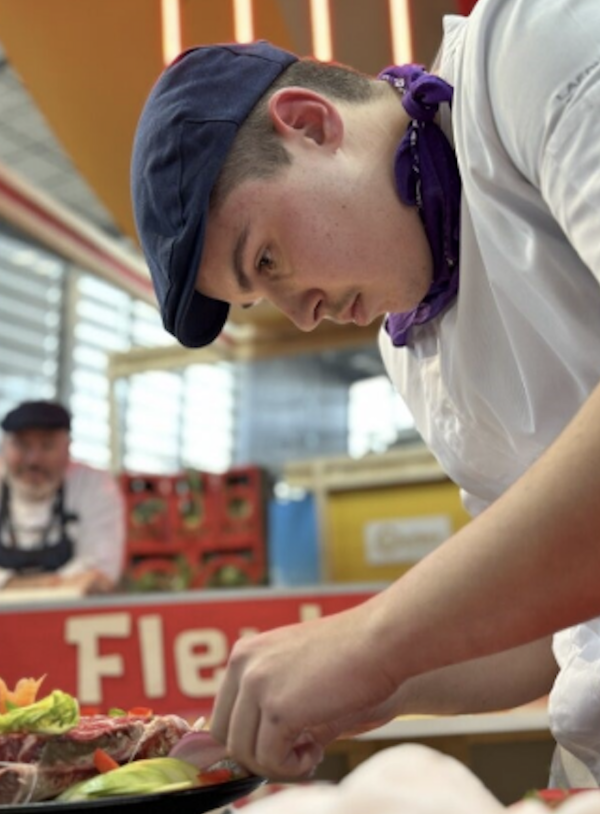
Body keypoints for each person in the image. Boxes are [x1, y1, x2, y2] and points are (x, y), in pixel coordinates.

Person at [130, 0, 600, 788]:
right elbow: (548, 605)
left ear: (310, 123)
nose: (304, 316)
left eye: (268, 260)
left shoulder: (529, 50)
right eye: (264, 299)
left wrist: (371, 639)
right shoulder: (409, 352)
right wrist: (371, 687)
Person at [0, 400, 125, 595]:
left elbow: (101, 575)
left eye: (47, 446)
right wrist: (60, 584)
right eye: (22, 445)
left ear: (67, 448)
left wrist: (11, 586)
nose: (34, 460)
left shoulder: (96, 485)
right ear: (4, 448)